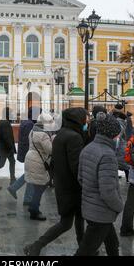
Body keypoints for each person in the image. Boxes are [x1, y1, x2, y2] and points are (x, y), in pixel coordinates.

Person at [24, 108, 88, 256]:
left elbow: (55, 161)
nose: (87, 122)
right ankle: (37, 246)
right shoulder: (74, 137)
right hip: (73, 188)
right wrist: (86, 182)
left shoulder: (60, 135)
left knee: (73, 222)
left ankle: (83, 249)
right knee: (69, 222)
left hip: (63, 185)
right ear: (78, 120)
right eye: (85, 118)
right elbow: (76, 166)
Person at [76, 113, 123, 256]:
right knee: (85, 251)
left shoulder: (88, 148)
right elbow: (107, 191)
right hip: (101, 213)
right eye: (118, 134)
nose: (118, 138)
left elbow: (81, 178)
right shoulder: (107, 154)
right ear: (112, 134)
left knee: (112, 244)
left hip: (91, 209)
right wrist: (119, 206)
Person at [24, 113, 54, 221]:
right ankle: (34, 210)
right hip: (38, 161)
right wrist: (54, 139)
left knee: (38, 186)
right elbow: (50, 150)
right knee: (41, 186)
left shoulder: (33, 130)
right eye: (50, 122)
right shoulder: (43, 135)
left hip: (31, 158)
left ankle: (33, 207)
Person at [7, 107, 38, 205]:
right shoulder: (30, 124)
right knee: (31, 174)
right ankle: (26, 197)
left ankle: (24, 196)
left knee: (29, 174)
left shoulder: (26, 122)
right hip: (28, 153)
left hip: (25, 152)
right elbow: (29, 140)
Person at [0, 107, 17, 185]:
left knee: (4, 163)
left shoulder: (2, 122)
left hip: (4, 147)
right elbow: (6, 137)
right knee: (5, 163)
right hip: (6, 148)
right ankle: (12, 179)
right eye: (11, 113)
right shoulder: (5, 123)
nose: (12, 115)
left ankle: (12, 179)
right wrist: (11, 147)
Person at [111, 104, 130, 181]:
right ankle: (128, 178)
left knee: (117, 162)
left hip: (119, 145)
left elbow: (117, 137)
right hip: (123, 144)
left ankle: (127, 178)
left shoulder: (117, 121)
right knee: (123, 163)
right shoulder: (125, 119)